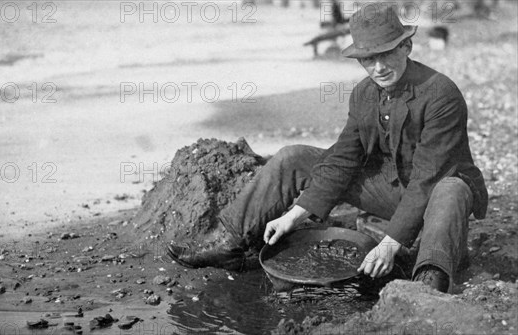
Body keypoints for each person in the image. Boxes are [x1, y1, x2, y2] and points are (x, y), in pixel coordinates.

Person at [167, 5, 487, 293]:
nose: (378, 67)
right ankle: (231, 242)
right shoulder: (363, 94)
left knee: (452, 188)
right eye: (367, 58)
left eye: (386, 53)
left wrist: (390, 244)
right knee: (294, 157)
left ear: (406, 46)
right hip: (389, 192)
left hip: (437, 200)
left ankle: (430, 277)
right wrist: (296, 214)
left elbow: (426, 179)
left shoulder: (440, 93)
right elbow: (343, 158)